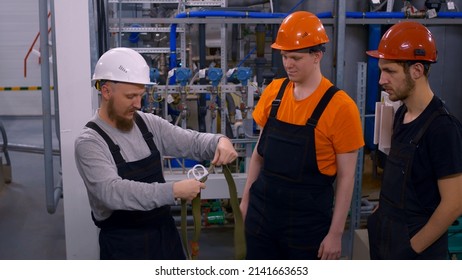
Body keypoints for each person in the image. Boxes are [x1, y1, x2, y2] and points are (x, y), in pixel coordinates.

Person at [74, 47, 238, 260]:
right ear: (106, 92)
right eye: (130, 96)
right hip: (125, 246)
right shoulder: (90, 142)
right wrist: (173, 191)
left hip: (165, 236)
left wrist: (219, 141)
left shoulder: (147, 124)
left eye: (141, 95)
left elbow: (191, 141)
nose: (138, 104)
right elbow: (112, 192)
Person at [239, 11, 364, 260]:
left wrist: (336, 234)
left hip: (307, 225)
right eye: (284, 56)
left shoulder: (341, 107)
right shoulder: (275, 93)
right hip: (262, 215)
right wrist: (246, 200)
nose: (288, 64)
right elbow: (259, 155)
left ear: (317, 56)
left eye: (295, 57)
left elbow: (347, 176)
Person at [366, 21, 462, 259]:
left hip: (415, 251)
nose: (381, 80)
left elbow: (454, 203)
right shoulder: (402, 114)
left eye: (390, 71)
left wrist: (414, 247)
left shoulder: (442, 128)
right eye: (381, 70)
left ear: (417, 71)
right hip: (387, 237)